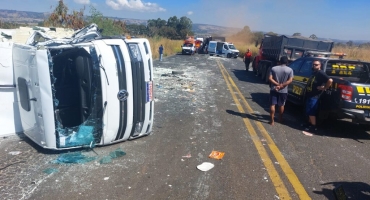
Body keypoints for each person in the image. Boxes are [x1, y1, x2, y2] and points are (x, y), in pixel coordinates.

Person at [303, 60, 333, 133]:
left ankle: (313, 127)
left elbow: (330, 80)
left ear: (320, 65)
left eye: (316, 65)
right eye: (313, 64)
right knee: (308, 111)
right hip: (310, 95)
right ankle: (309, 124)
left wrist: (325, 87)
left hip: (314, 96)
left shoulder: (320, 73)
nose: (314, 66)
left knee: (311, 112)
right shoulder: (314, 73)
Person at [268, 56, 293, 125]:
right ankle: (280, 119)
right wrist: (281, 85)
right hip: (283, 90)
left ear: (279, 61)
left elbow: (270, 78)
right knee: (281, 105)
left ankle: (272, 121)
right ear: (287, 62)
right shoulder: (290, 70)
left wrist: (277, 84)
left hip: (274, 89)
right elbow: (290, 80)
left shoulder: (274, 68)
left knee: (272, 104)